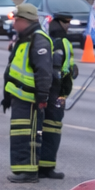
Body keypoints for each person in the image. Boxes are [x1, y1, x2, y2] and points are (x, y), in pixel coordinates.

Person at [1, 2, 54, 183]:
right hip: (20, 97)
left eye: (16, 20)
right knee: (20, 135)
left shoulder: (38, 40)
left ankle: (29, 172)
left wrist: (41, 98)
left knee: (28, 135)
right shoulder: (25, 38)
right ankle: (23, 169)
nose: (14, 23)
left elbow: (43, 72)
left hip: (30, 98)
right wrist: (7, 95)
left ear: (24, 20)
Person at [38, 14, 79, 179]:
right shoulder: (59, 41)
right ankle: (46, 167)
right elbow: (57, 70)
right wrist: (60, 92)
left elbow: (65, 66)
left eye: (69, 22)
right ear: (57, 23)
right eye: (65, 22)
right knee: (51, 129)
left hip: (54, 91)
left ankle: (45, 165)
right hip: (54, 92)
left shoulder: (57, 40)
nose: (68, 25)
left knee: (49, 129)